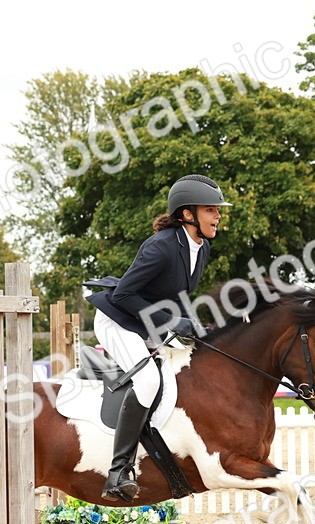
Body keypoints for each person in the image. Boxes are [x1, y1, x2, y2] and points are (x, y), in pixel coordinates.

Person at [86, 174, 230, 502]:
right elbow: (123, 295)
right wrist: (172, 321)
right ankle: (118, 471)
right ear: (188, 214)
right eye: (211, 210)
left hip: (147, 321)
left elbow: (178, 296)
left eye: (217, 210)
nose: (218, 216)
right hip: (118, 319)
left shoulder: (201, 247)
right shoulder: (161, 246)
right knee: (149, 380)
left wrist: (195, 326)